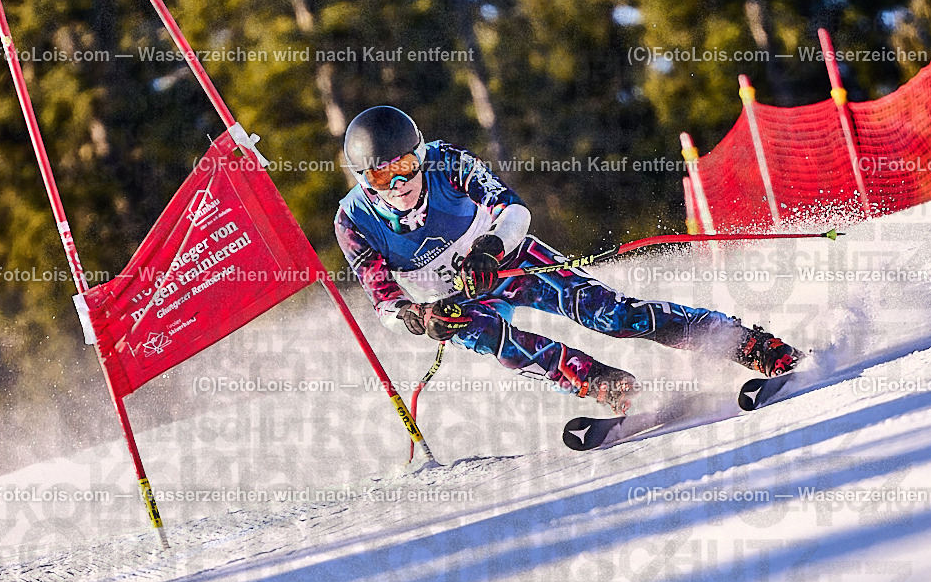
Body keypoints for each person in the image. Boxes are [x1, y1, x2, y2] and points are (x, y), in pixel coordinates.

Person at [334, 106, 802, 415]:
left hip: (513, 261)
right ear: (363, 178)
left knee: (610, 314)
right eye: (380, 174)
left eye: (404, 166)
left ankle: (744, 343)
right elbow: (384, 301)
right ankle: (608, 386)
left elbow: (513, 208)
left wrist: (489, 249)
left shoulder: (447, 162)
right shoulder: (352, 221)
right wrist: (419, 317)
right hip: (456, 302)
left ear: (420, 156)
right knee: (504, 345)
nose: (398, 184)